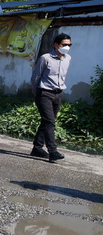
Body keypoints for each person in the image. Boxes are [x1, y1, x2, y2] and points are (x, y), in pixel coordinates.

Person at [30, 32, 72, 163]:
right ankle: (52, 151)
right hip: (44, 93)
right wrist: (37, 93)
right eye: (64, 45)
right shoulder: (45, 58)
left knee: (47, 121)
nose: (67, 47)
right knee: (49, 121)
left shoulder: (68, 58)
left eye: (69, 45)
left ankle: (37, 148)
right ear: (56, 45)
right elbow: (35, 77)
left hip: (58, 93)